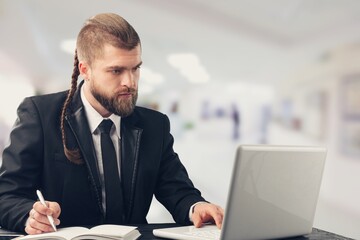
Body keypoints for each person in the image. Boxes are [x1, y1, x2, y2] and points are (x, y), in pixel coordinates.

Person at [0, 13, 224, 234]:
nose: (130, 82)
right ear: (85, 70)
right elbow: (6, 195)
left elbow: (176, 189)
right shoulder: (40, 115)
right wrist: (29, 215)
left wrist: (196, 207)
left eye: (135, 68)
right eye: (116, 71)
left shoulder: (155, 125)